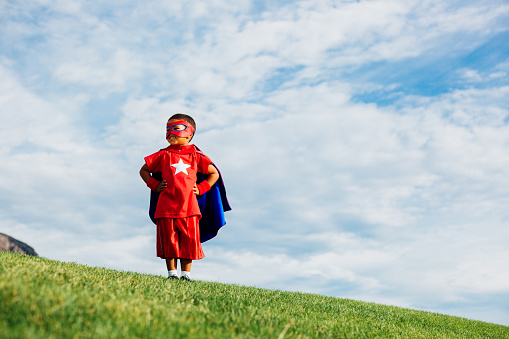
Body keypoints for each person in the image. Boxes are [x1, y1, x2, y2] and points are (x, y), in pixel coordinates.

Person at [140, 114, 219, 281]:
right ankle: (172, 274)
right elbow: (144, 170)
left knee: (189, 240)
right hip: (166, 206)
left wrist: (203, 187)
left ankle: (186, 275)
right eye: (167, 129)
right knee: (169, 240)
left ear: (190, 133)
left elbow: (214, 173)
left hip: (189, 207)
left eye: (176, 128)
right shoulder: (162, 155)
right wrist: (154, 184)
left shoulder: (196, 155)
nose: (170, 132)